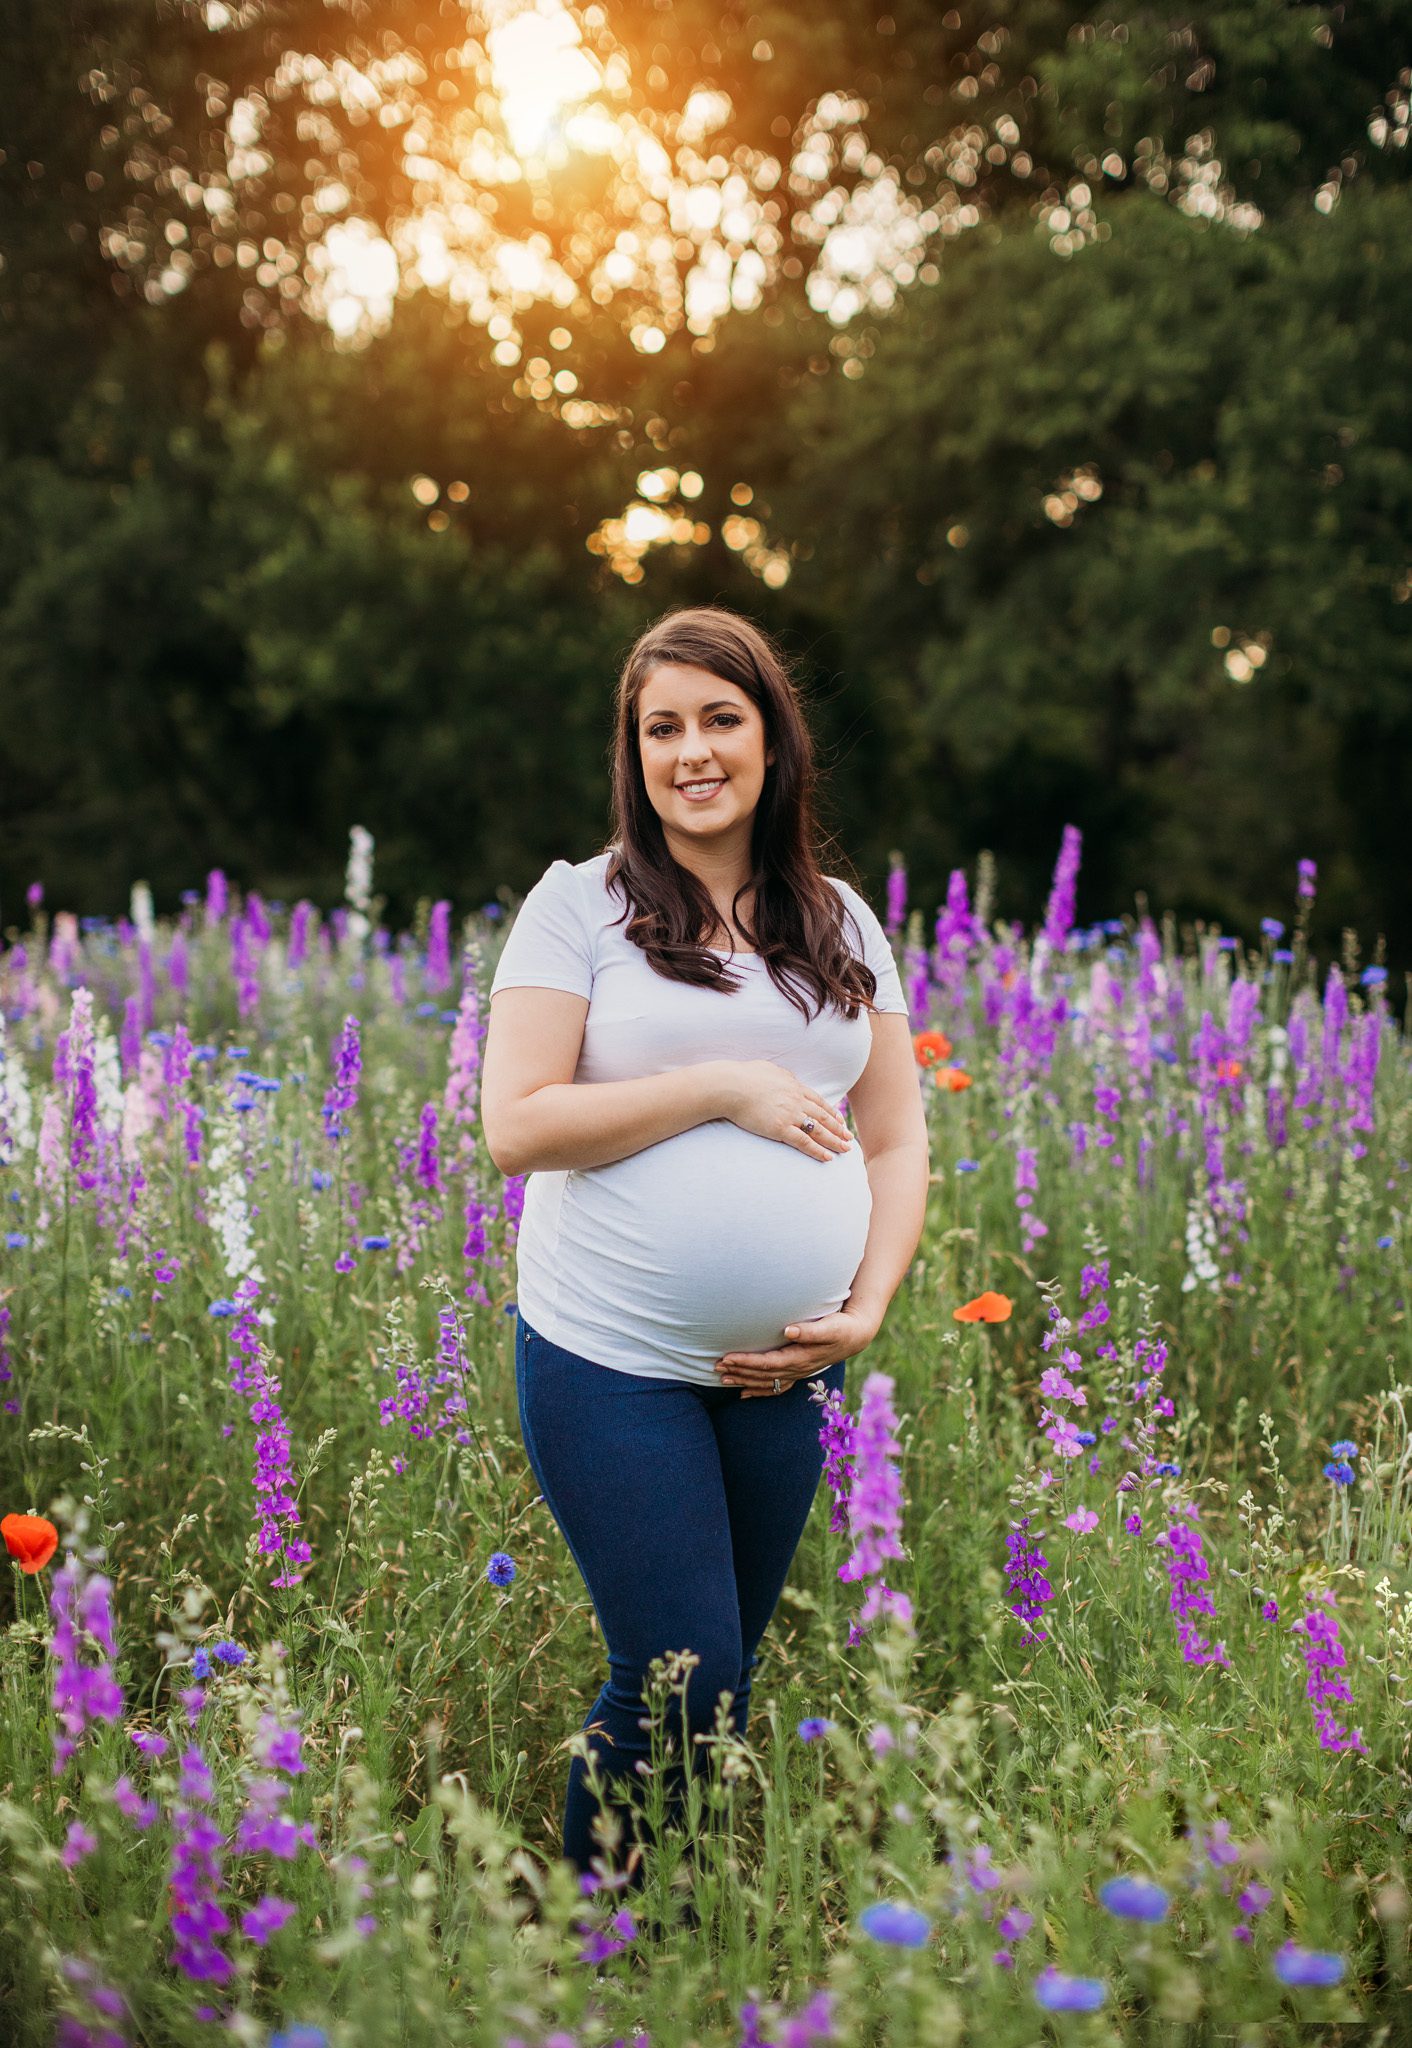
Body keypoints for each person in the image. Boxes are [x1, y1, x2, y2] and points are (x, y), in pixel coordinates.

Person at [481, 603, 930, 1892]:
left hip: (790, 1367)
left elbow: (895, 1140)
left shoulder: (842, 918)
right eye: (660, 726)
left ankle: (660, 1944)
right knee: (675, 1670)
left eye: (719, 720)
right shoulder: (580, 908)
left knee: (720, 1681)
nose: (692, 751)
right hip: (611, 1359)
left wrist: (868, 1309)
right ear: (633, 754)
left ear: (771, 741)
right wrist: (721, 1086)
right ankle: (595, 1948)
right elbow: (516, 1127)